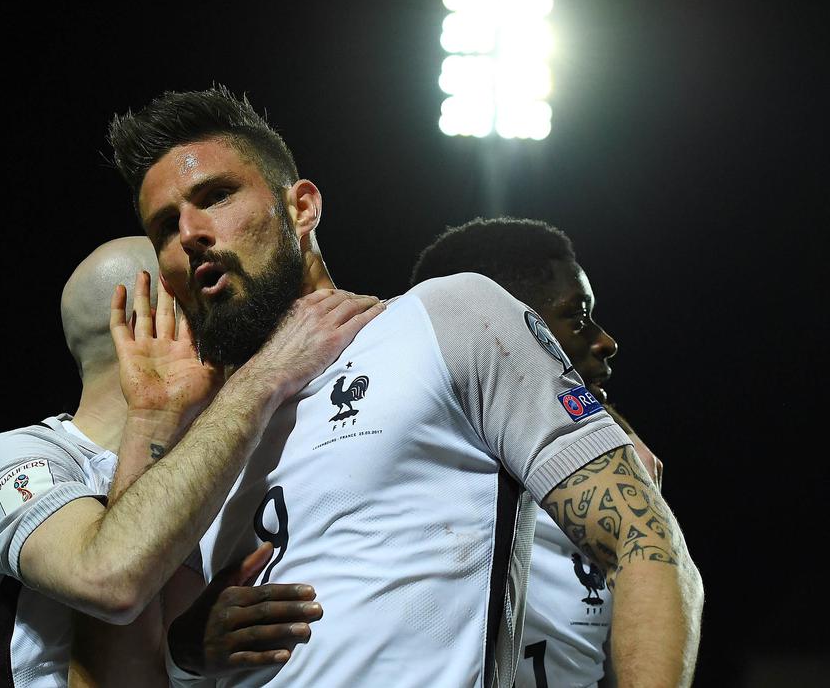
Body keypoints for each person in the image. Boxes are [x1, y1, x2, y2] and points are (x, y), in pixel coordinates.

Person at [107, 86, 703, 687]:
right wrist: (184, 649)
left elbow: (643, 542)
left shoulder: (444, 318)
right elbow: (116, 640)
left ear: (302, 209)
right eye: (164, 226)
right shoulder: (202, 443)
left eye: (216, 196)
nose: (190, 233)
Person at [0, 236, 375, 686]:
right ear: (164, 321)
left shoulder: (202, 475)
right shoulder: (17, 459)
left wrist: (182, 656)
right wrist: (257, 379)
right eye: (207, 302)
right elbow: (110, 579)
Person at [410, 217, 664, 687]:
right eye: (578, 315)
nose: (606, 341)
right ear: (505, 322)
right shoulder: (400, 472)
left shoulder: (607, 478)